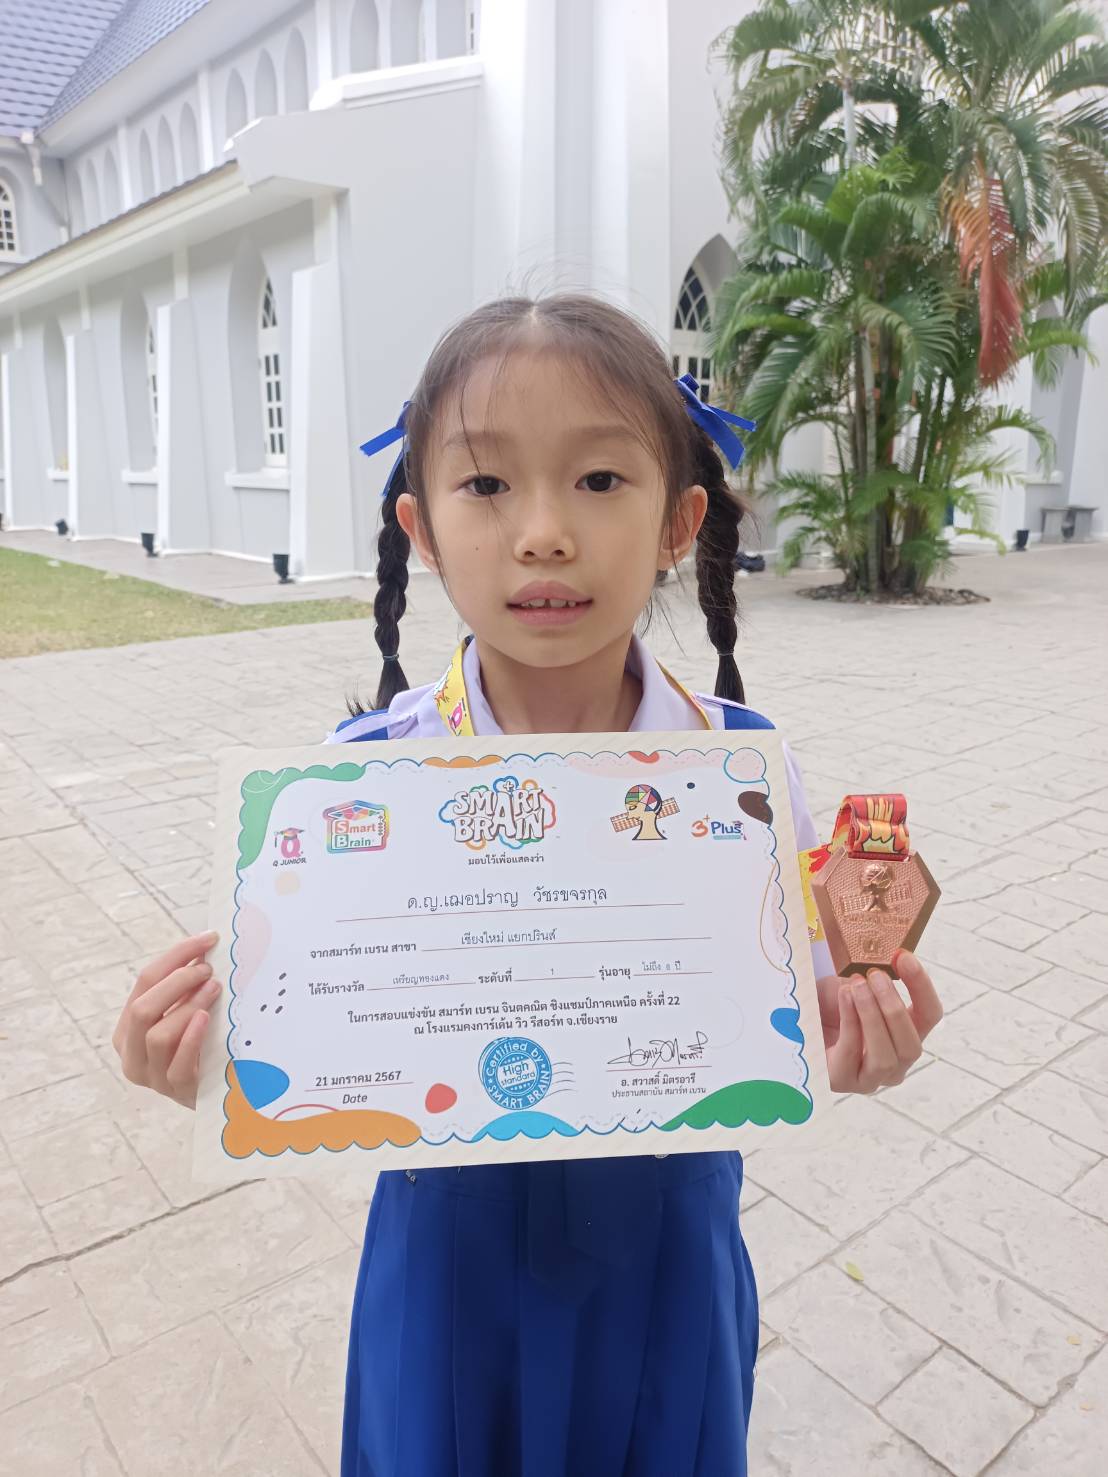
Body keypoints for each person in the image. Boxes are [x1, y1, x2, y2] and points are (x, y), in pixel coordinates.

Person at [112, 295, 944, 1477]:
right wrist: (198, 1057)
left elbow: (803, 1014)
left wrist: (854, 1042)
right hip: (445, 1272)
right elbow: (290, 1032)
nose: (544, 534)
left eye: (600, 479)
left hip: (666, 1263)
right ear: (420, 527)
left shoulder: (744, 776)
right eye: (487, 484)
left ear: (679, 520)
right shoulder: (354, 787)